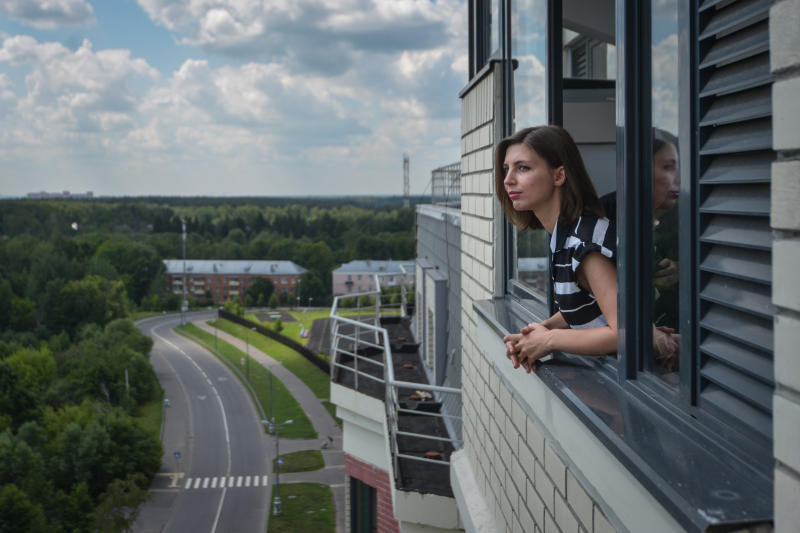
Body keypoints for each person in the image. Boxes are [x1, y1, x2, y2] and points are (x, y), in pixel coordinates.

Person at [497, 125, 618, 372]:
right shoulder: (564, 236)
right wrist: (534, 336)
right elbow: (588, 306)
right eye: (506, 169)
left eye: (523, 168)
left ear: (558, 175)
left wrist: (549, 340)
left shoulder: (586, 244)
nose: (508, 180)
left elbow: (626, 333)